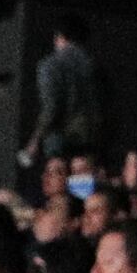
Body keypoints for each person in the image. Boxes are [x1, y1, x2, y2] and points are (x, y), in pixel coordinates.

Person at [22, 12, 105, 168]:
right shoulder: (95, 67)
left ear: (59, 36)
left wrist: (35, 140)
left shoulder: (50, 65)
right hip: (92, 141)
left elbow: (51, 108)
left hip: (60, 141)